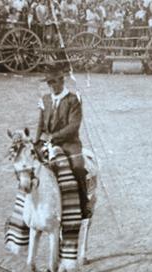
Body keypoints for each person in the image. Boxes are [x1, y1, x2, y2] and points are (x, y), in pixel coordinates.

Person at [35, 65, 90, 218]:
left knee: (78, 167)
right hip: (48, 142)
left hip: (69, 143)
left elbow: (73, 126)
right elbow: (40, 123)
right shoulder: (45, 99)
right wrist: (35, 142)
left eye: (54, 82)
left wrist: (54, 137)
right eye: (49, 83)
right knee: (30, 165)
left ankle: (84, 204)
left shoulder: (73, 100)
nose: (51, 86)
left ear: (62, 81)